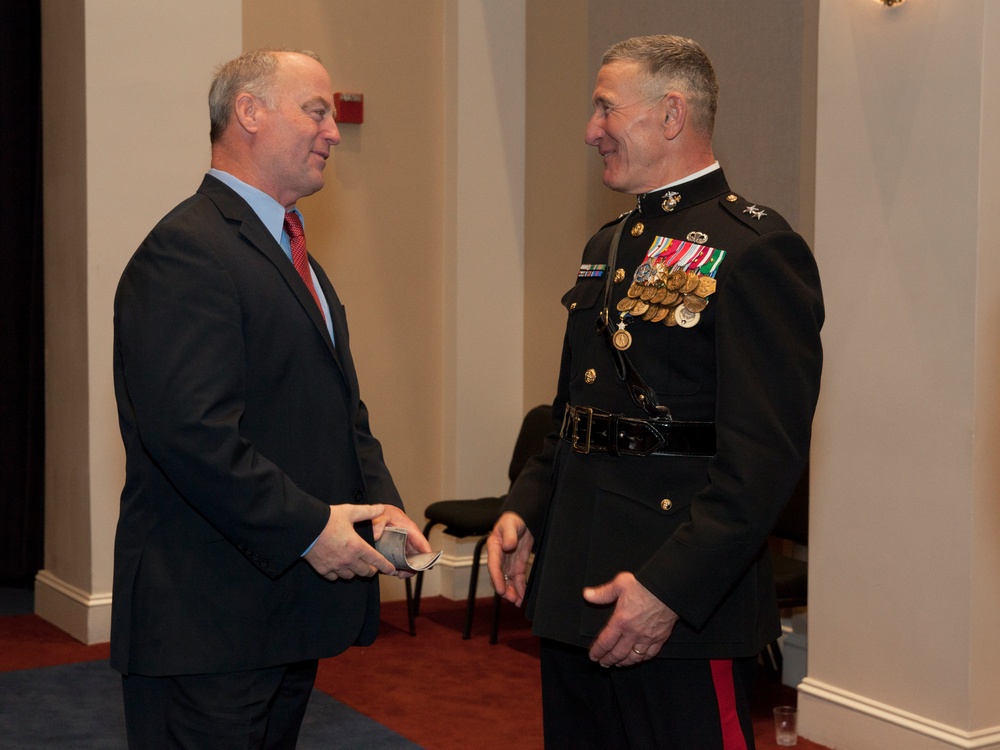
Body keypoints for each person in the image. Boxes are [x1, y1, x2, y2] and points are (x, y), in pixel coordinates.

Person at [488, 35, 823, 749]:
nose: (590, 130)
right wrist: (525, 511)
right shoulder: (606, 247)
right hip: (577, 585)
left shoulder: (756, 251)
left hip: (681, 606)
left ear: (671, 115)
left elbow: (762, 463)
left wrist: (668, 588)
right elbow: (572, 416)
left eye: (606, 107)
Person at [111, 48, 430, 748]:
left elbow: (341, 411)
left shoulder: (296, 257)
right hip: (207, 622)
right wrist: (314, 529)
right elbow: (193, 434)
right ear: (249, 112)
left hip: (280, 613)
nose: (334, 131)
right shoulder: (187, 251)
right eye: (316, 110)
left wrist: (380, 508)